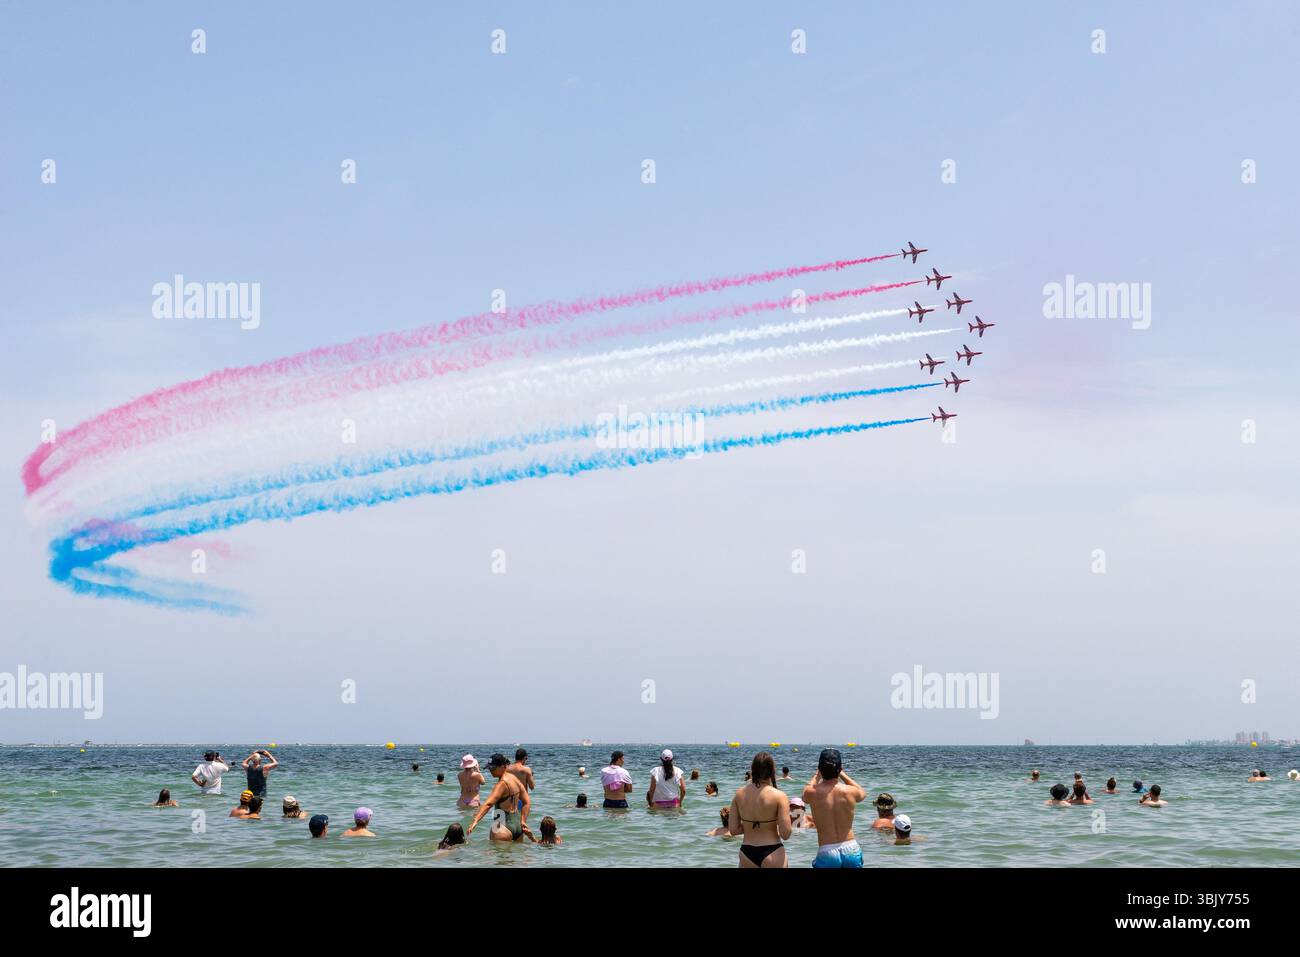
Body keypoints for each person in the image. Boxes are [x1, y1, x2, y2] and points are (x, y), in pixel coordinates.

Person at [803, 749, 866, 868]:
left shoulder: (812, 792)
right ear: (839, 768)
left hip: (827, 851)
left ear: (820, 769)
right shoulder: (850, 791)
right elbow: (862, 793)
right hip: (851, 848)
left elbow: (805, 794)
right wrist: (843, 774)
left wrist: (817, 776)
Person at [729, 752, 793, 868]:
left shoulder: (739, 794)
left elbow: (733, 830)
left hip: (746, 853)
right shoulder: (779, 796)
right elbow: (786, 834)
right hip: (772, 851)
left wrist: (751, 825)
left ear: (753, 769)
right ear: (772, 771)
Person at [466, 753, 534, 842]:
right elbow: (527, 802)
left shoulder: (501, 784)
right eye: (489, 768)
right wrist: (523, 821)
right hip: (518, 826)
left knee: (495, 855)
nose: (491, 771)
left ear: (502, 766)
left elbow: (488, 804)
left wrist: (475, 821)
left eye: (493, 768)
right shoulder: (515, 779)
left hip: (501, 826)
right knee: (517, 855)